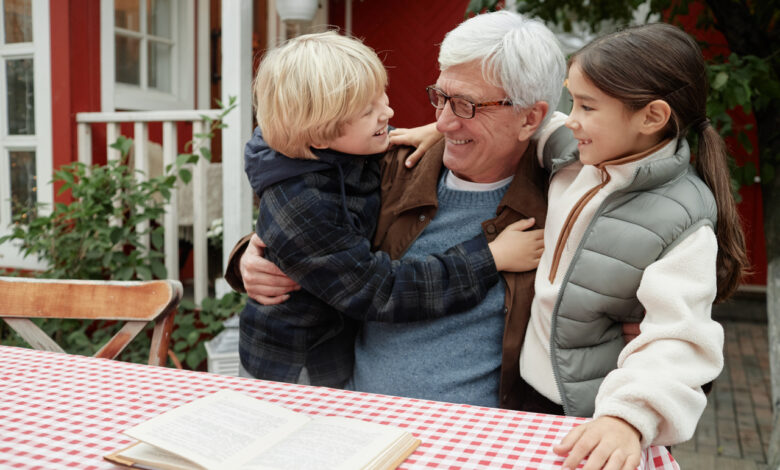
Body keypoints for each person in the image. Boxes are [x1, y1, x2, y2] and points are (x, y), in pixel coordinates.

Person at [227, 11, 565, 408]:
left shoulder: (562, 199)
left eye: (466, 105)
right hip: (327, 395)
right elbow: (336, 245)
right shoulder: (387, 165)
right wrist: (250, 255)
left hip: (474, 433)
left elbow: (620, 140)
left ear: (531, 118)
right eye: (440, 98)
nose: (441, 122)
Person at [521, 23, 748, 469]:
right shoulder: (579, 151)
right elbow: (531, 122)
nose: (573, 118)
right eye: (573, 102)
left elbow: (678, 340)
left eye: (587, 105)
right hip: (523, 390)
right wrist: (441, 130)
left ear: (652, 117)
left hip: (594, 416)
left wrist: (627, 419)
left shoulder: (682, 217)